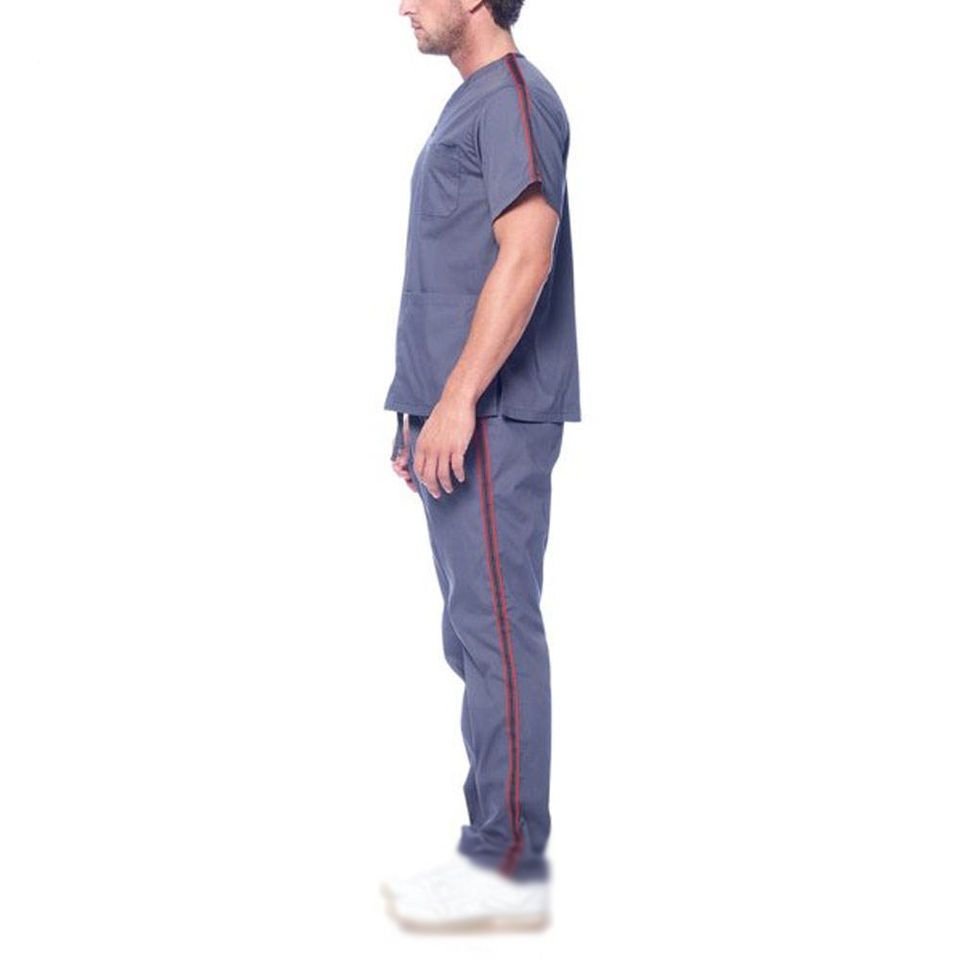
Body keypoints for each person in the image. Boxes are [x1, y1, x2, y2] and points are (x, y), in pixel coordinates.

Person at [381, 0, 581, 933]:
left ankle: (504, 865)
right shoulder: (475, 102)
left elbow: (526, 255)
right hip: (462, 417)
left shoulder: (514, 100)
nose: (402, 5)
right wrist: (418, 409)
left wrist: (457, 400)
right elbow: (451, 270)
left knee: (496, 632)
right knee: (474, 635)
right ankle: (496, 850)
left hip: (495, 415)